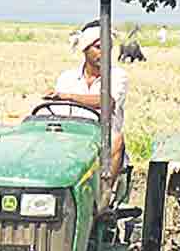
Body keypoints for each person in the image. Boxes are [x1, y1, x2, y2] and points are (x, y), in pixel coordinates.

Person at [45, 20, 128, 179]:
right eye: (98, 48)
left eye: (107, 48)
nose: (104, 53)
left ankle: (106, 191)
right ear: (85, 49)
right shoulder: (67, 78)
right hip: (72, 137)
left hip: (100, 140)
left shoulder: (117, 76)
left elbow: (107, 102)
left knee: (116, 139)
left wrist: (66, 96)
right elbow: (57, 112)